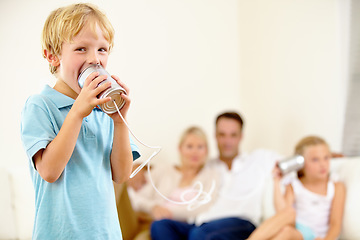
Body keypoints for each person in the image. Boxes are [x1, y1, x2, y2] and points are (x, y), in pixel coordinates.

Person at [20, 3, 140, 239]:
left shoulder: (104, 110)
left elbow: (122, 174)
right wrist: (76, 112)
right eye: (81, 49)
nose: (94, 59)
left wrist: (118, 121)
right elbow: (49, 171)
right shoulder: (40, 105)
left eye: (102, 50)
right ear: (52, 56)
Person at [151, 111, 281, 240]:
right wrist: (143, 168)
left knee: (200, 234)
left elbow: (297, 162)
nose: (227, 141)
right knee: (160, 226)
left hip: (241, 223)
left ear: (241, 137)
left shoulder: (259, 159)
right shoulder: (206, 166)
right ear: (215, 136)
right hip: (201, 224)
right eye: (222, 135)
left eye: (233, 135)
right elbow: (179, 172)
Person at [122, 126, 219, 240]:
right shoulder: (164, 171)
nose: (195, 152)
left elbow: (204, 206)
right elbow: (134, 197)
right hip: (163, 227)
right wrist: (153, 208)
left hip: (194, 227)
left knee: (161, 225)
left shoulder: (211, 175)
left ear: (206, 151)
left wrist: (167, 213)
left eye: (200, 147)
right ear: (180, 149)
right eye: (189, 146)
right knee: (158, 226)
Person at [247, 136, 346, 240]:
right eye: (315, 160)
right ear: (300, 163)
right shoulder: (294, 185)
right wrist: (276, 181)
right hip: (296, 230)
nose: (322, 164)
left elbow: (336, 225)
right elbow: (282, 212)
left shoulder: (335, 186)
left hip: (315, 237)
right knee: (288, 218)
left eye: (326, 158)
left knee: (286, 231)